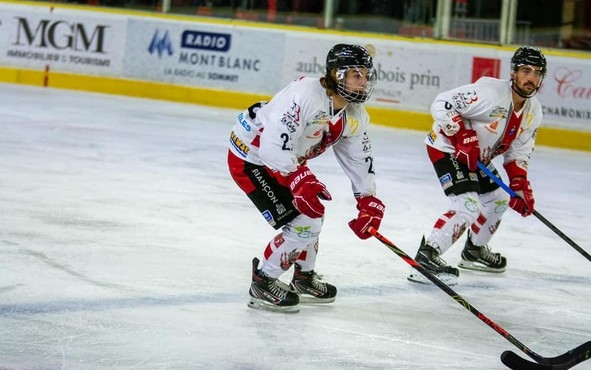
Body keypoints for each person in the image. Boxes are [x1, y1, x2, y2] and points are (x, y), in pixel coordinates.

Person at [227, 44, 386, 313]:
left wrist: (368, 198)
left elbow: (359, 160)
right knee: (306, 219)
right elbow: (271, 147)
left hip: (287, 161)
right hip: (252, 157)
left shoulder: (354, 116)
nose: (363, 82)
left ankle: (303, 277)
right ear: (337, 75)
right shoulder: (304, 95)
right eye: (356, 75)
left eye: (366, 76)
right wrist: (299, 177)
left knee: (314, 210)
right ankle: (263, 281)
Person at [408, 46, 546, 285]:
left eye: (537, 73)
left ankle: (474, 250)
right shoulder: (490, 93)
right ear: (513, 73)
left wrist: (519, 183)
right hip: (447, 148)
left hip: (478, 159)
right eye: (526, 71)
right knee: (468, 206)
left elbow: (519, 151)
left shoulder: (533, 111)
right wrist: (461, 135)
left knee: (499, 199)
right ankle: (426, 257)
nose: (531, 78)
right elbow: (442, 103)